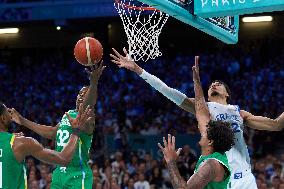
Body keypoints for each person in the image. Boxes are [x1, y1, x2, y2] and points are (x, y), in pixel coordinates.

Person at [110, 49, 284, 188]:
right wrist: (139, 70)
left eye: (219, 83)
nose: (214, 84)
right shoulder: (203, 108)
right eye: (211, 84)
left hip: (245, 177)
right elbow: (167, 90)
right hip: (219, 174)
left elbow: (276, 125)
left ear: (227, 93)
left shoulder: (239, 112)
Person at [10, 62, 105, 189]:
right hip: (59, 172)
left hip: (77, 174)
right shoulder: (69, 114)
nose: (81, 96)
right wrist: (23, 121)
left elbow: (89, 103)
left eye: (85, 94)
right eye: (80, 93)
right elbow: (53, 133)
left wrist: (93, 84)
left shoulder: (88, 117)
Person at [158, 59, 234, 189]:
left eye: (205, 131)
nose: (201, 130)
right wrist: (197, 81)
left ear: (210, 141)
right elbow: (200, 110)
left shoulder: (212, 164)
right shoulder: (209, 158)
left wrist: (171, 162)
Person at [0, 102, 92, 189]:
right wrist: (76, 131)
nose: (10, 114)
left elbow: (52, 132)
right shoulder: (20, 143)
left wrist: (22, 121)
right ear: (3, 118)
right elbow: (64, 159)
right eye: (7, 112)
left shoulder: (13, 140)